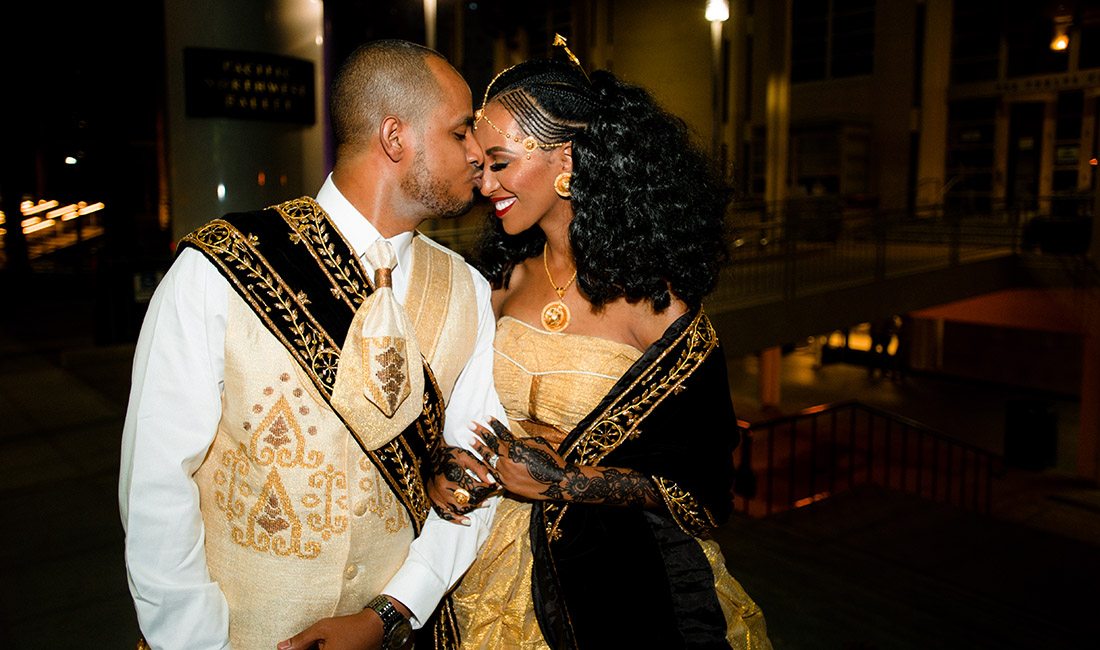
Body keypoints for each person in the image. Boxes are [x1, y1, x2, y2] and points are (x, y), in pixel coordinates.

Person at [119, 40, 505, 650]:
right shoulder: (220, 267)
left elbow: (473, 476)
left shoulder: (470, 290)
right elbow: (157, 481)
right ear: (395, 137)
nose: (478, 152)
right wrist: (195, 641)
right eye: (460, 132)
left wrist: (392, 612)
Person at [429, 38, 772, 649]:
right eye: (481, 166)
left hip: (619, 582)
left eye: (500, 163)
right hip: (484, 562)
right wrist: (449, 463)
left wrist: (568, 482)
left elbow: (703, 485)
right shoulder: (500, 283)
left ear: (567, 157)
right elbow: (458, 410)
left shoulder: (655, 303)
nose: (486, 185)